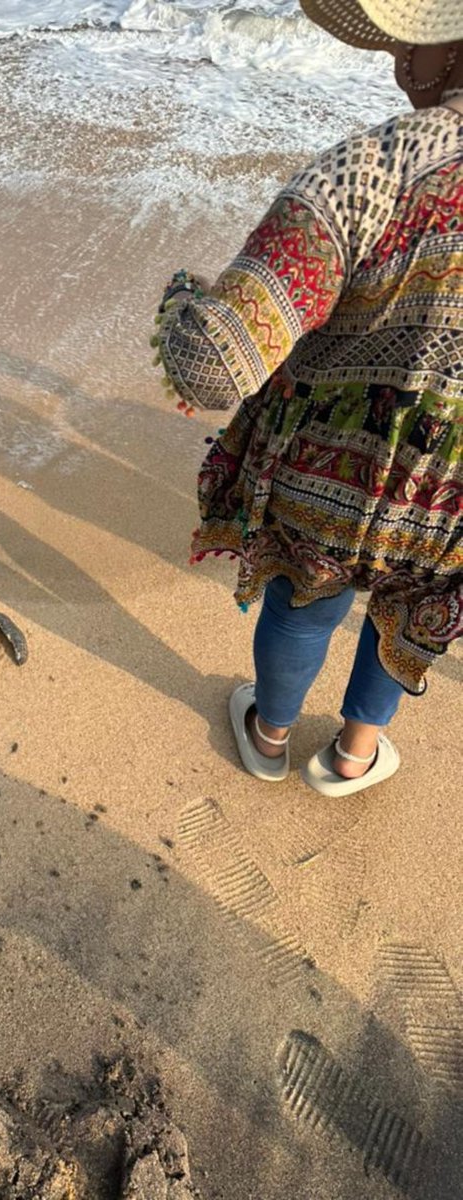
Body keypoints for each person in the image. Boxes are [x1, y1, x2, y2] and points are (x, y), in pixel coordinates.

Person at [150, 0, 463, 796]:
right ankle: (354, 756)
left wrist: (183, 302)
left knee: (305, 596)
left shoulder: (373, 170)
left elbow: (215, 364)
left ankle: (270, 734)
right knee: (413, 610)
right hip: (455, 504)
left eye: (412, 42)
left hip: (330, 471)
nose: (399, 59)